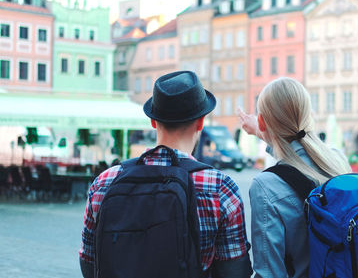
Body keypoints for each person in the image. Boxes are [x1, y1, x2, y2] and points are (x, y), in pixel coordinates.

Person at [79, 71, 252, 278]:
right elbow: (234, 271)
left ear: (153, 122)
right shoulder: (220, 188)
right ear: (200, 122)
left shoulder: (105, 182)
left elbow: (89, 261)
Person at [239, 77, 351, 278]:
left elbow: (269, 273)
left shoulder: (266, 186)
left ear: (262, 122)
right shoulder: (337, 159)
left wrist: (263, 129)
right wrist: (262, 130)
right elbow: (296, 154)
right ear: (308, 115)